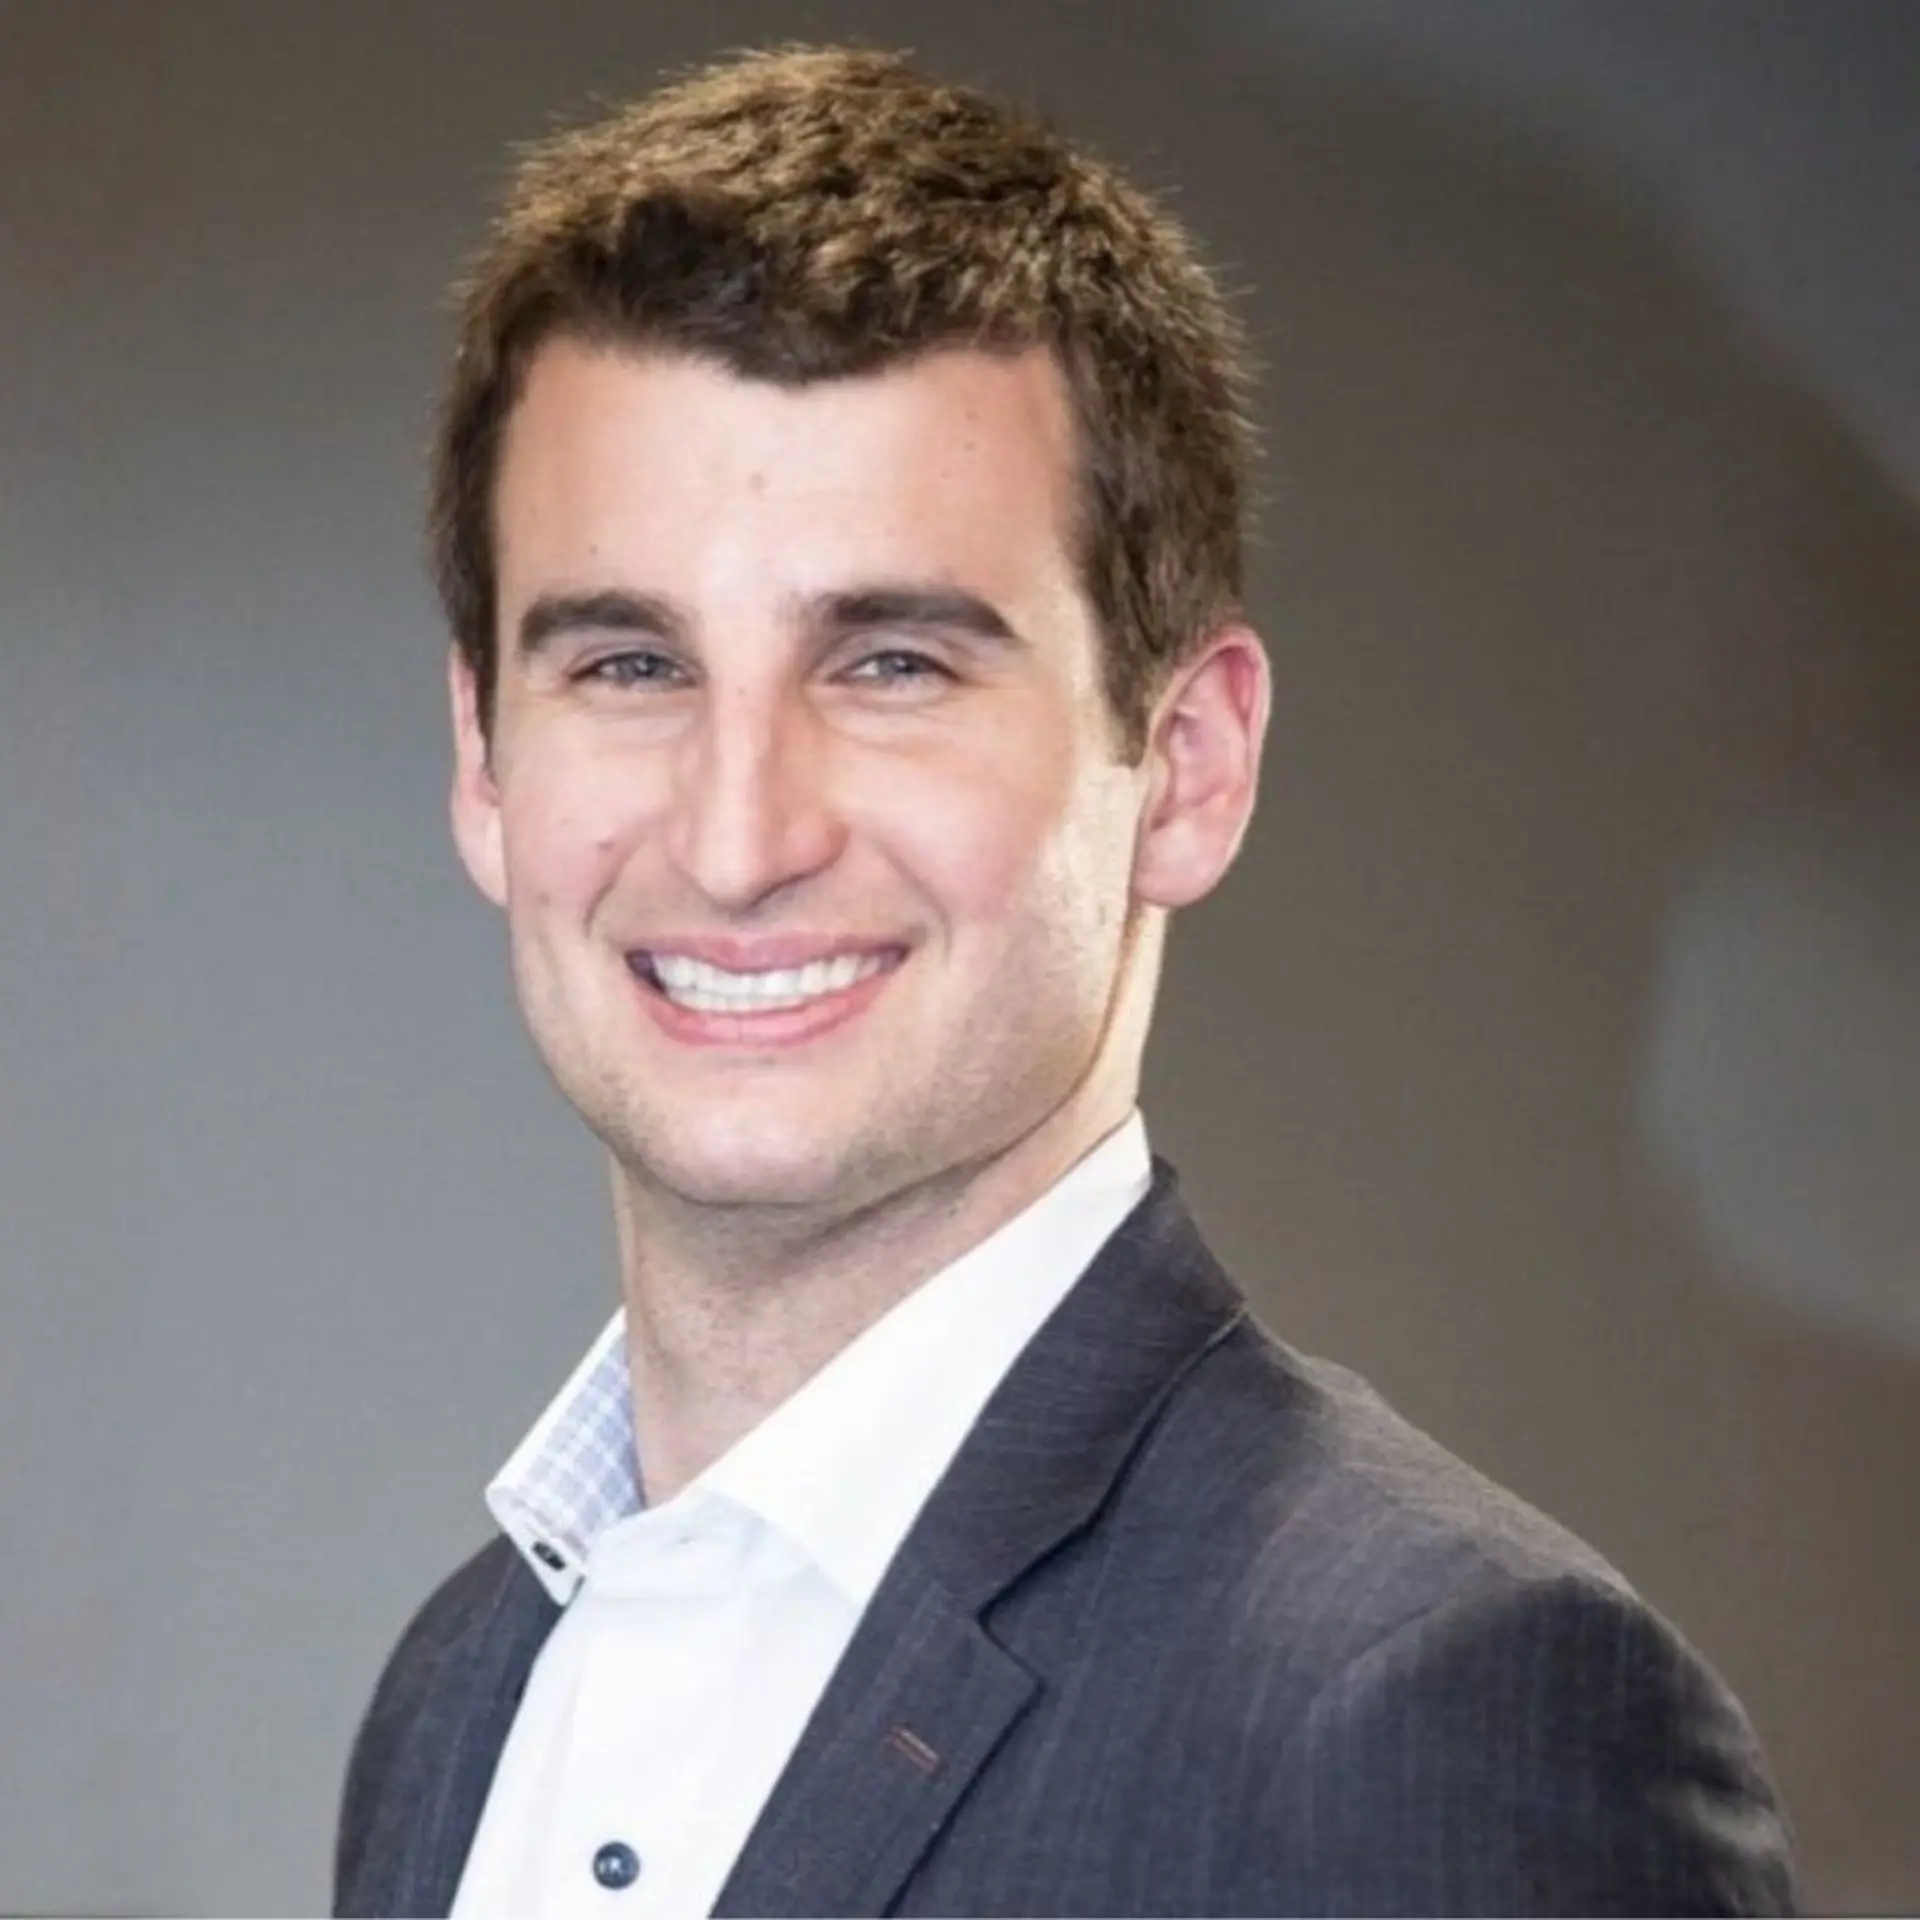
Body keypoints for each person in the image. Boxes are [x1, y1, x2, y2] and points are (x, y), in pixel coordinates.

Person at [334, 44, 1798, 1919]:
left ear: (1185, 766)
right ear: (483, 761)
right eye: (629, 667)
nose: (738, 834)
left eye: (893, 665)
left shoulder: (1437, 1714)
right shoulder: (459, 1705)